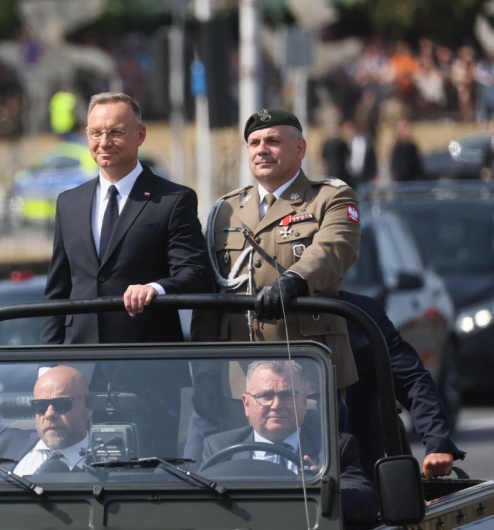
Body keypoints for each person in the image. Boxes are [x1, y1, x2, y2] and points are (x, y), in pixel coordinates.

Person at [40, 91, 209, 455]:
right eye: (96, 133)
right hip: (79, 375)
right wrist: (47, 368)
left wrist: (156, 288)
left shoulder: (172, 200)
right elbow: (58, 290)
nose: (104, 142)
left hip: (148, 370)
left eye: (116, 132)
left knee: (152, 476)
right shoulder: (69, 203)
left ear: (140, 135)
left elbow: (195, 272)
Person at [190, 108, 361, 431]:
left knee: (312, 472)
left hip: (307, 368)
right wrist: (205, 374)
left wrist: (294, 281)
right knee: (235, 473)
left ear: (300, 149)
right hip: (239, 377)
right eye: (254, 143)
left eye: (273, 141)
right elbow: (209, 297)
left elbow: (333, 249)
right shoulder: (226, 210)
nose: (262, 150)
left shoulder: (329, 197)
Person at [200, 360, 379, 528]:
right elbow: (200, 507)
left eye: (287, 395)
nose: (276, 405)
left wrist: (324, 491)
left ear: (303, 401)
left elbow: (365, 501)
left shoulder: (334, 447)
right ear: (246, 404)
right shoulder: (219, 449)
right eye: (266, 395)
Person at [339, 290, 465, 479]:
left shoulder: (361, 313)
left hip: (355, 472)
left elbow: (411, 379)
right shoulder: (278, 317)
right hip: (283, 471)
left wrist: (437, 442)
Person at [0, 365, 93, 477]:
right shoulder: (7, 443)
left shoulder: (104, 461)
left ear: (88, 407)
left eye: (62, 404)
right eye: (40, 406)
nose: (49, 414)